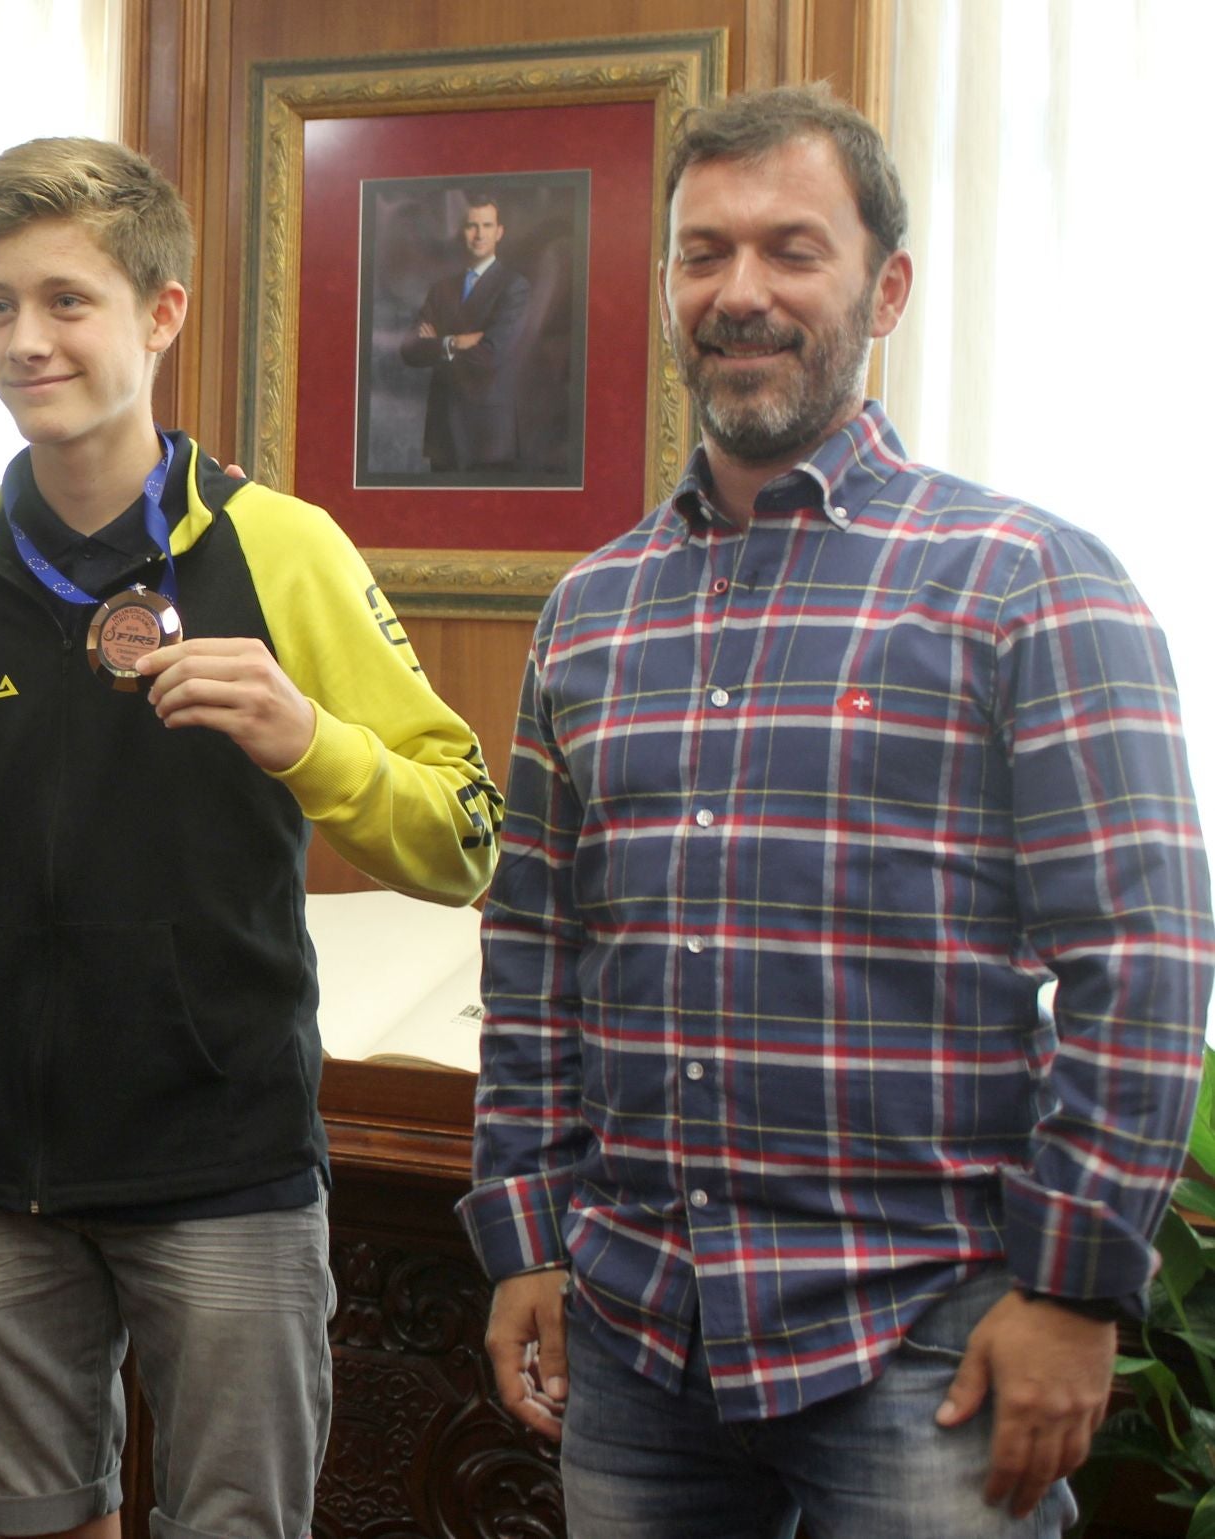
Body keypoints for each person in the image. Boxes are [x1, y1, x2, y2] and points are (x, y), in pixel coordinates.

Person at [462, 84, 1213, 1538]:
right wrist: (522, 1240)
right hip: (631, 1332)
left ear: (886, 286)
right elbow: (534, 960)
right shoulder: (590, 611)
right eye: (703, 253)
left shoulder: (1027, 581)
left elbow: (1141, 964)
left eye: (790, 250)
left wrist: (1068, 1285)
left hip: (928, 1340)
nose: (740, 292)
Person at [0, 137, 500, 1539]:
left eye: (65, 300)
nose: (24, 340)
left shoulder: (282, 547)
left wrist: (306, 740)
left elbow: (465, 836)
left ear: (160, 311)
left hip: (222, 1170)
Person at [394, 193, 532, 470]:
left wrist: (437, 346)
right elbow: (410, 349)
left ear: (499, 232)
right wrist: (455, 342)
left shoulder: (514, 286)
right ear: (462, 231)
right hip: (443, 432)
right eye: (472, 226)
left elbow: (491, 356)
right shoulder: (442, 288)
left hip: (488, 435)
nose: (479, 234)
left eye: (487, 226)